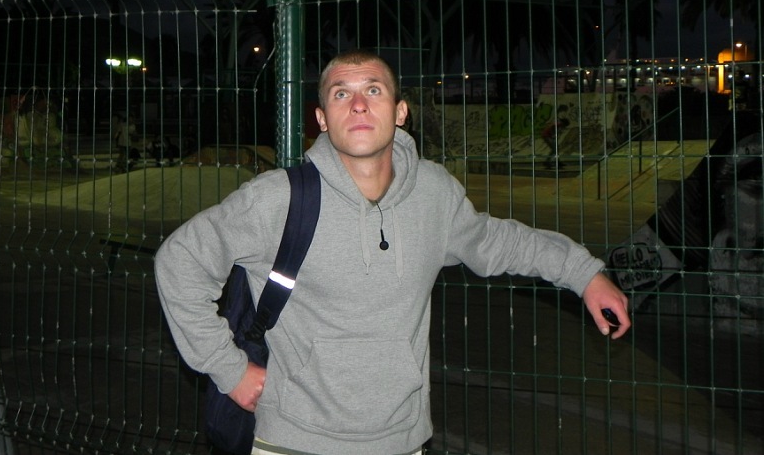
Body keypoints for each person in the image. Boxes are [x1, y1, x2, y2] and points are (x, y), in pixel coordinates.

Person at [155, 50, 631, 455]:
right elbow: (180, 262)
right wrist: (229, 370)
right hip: (294, 441)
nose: (358, 104)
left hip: (402, 440)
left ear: (400, 111)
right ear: (321, 119)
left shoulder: (435, 194)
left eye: (373, 90)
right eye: (341, 93)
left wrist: (584, 275)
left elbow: (498, 241)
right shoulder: (276, 200)